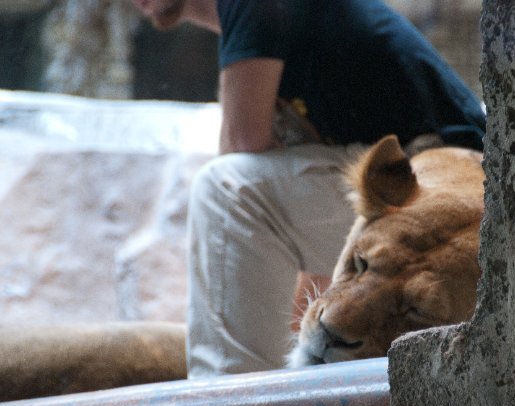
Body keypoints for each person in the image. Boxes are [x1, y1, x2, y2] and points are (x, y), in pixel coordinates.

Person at [130, 0, 486, 377]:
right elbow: (304, 208)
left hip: (434, 175)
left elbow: (242, 143)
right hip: (438, 182)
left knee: (229, 190)